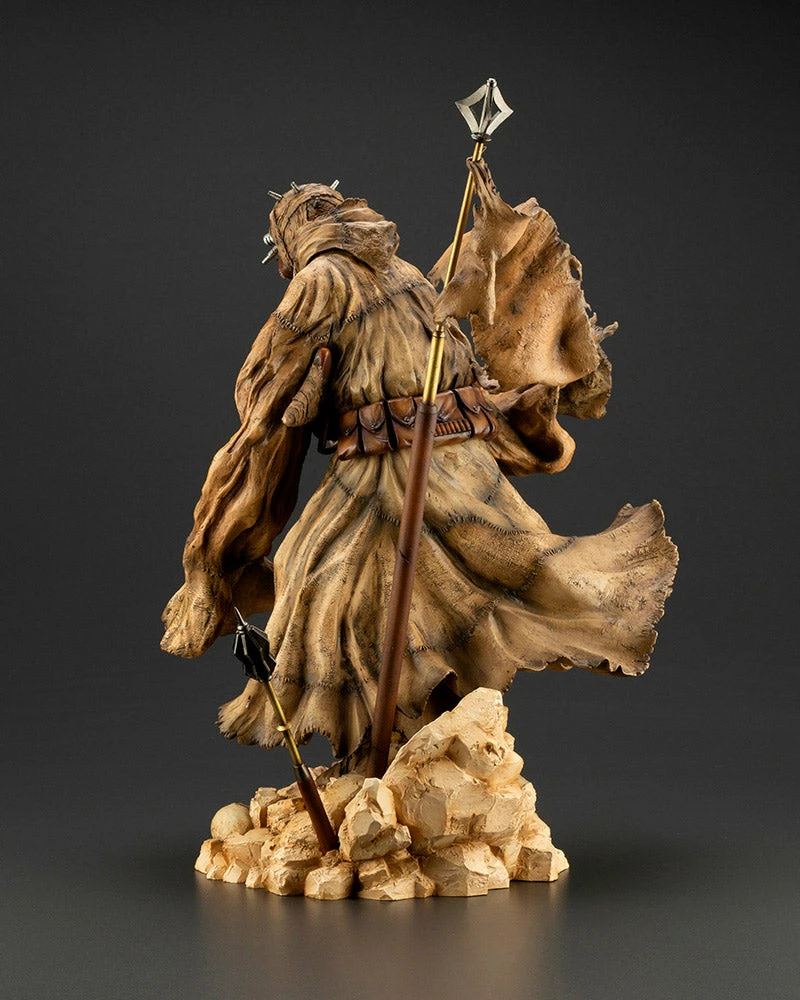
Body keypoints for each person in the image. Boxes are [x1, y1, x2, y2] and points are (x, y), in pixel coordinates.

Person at [161, 170, 678, 764]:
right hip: (447, 464)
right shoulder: (403, 272)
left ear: (290, 239)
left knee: (329, 591)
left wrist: (288, 399)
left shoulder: (321, 280)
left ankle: (397, 754)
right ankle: (397, 757)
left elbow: (265, 378)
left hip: (396, 471)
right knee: (377, 594)